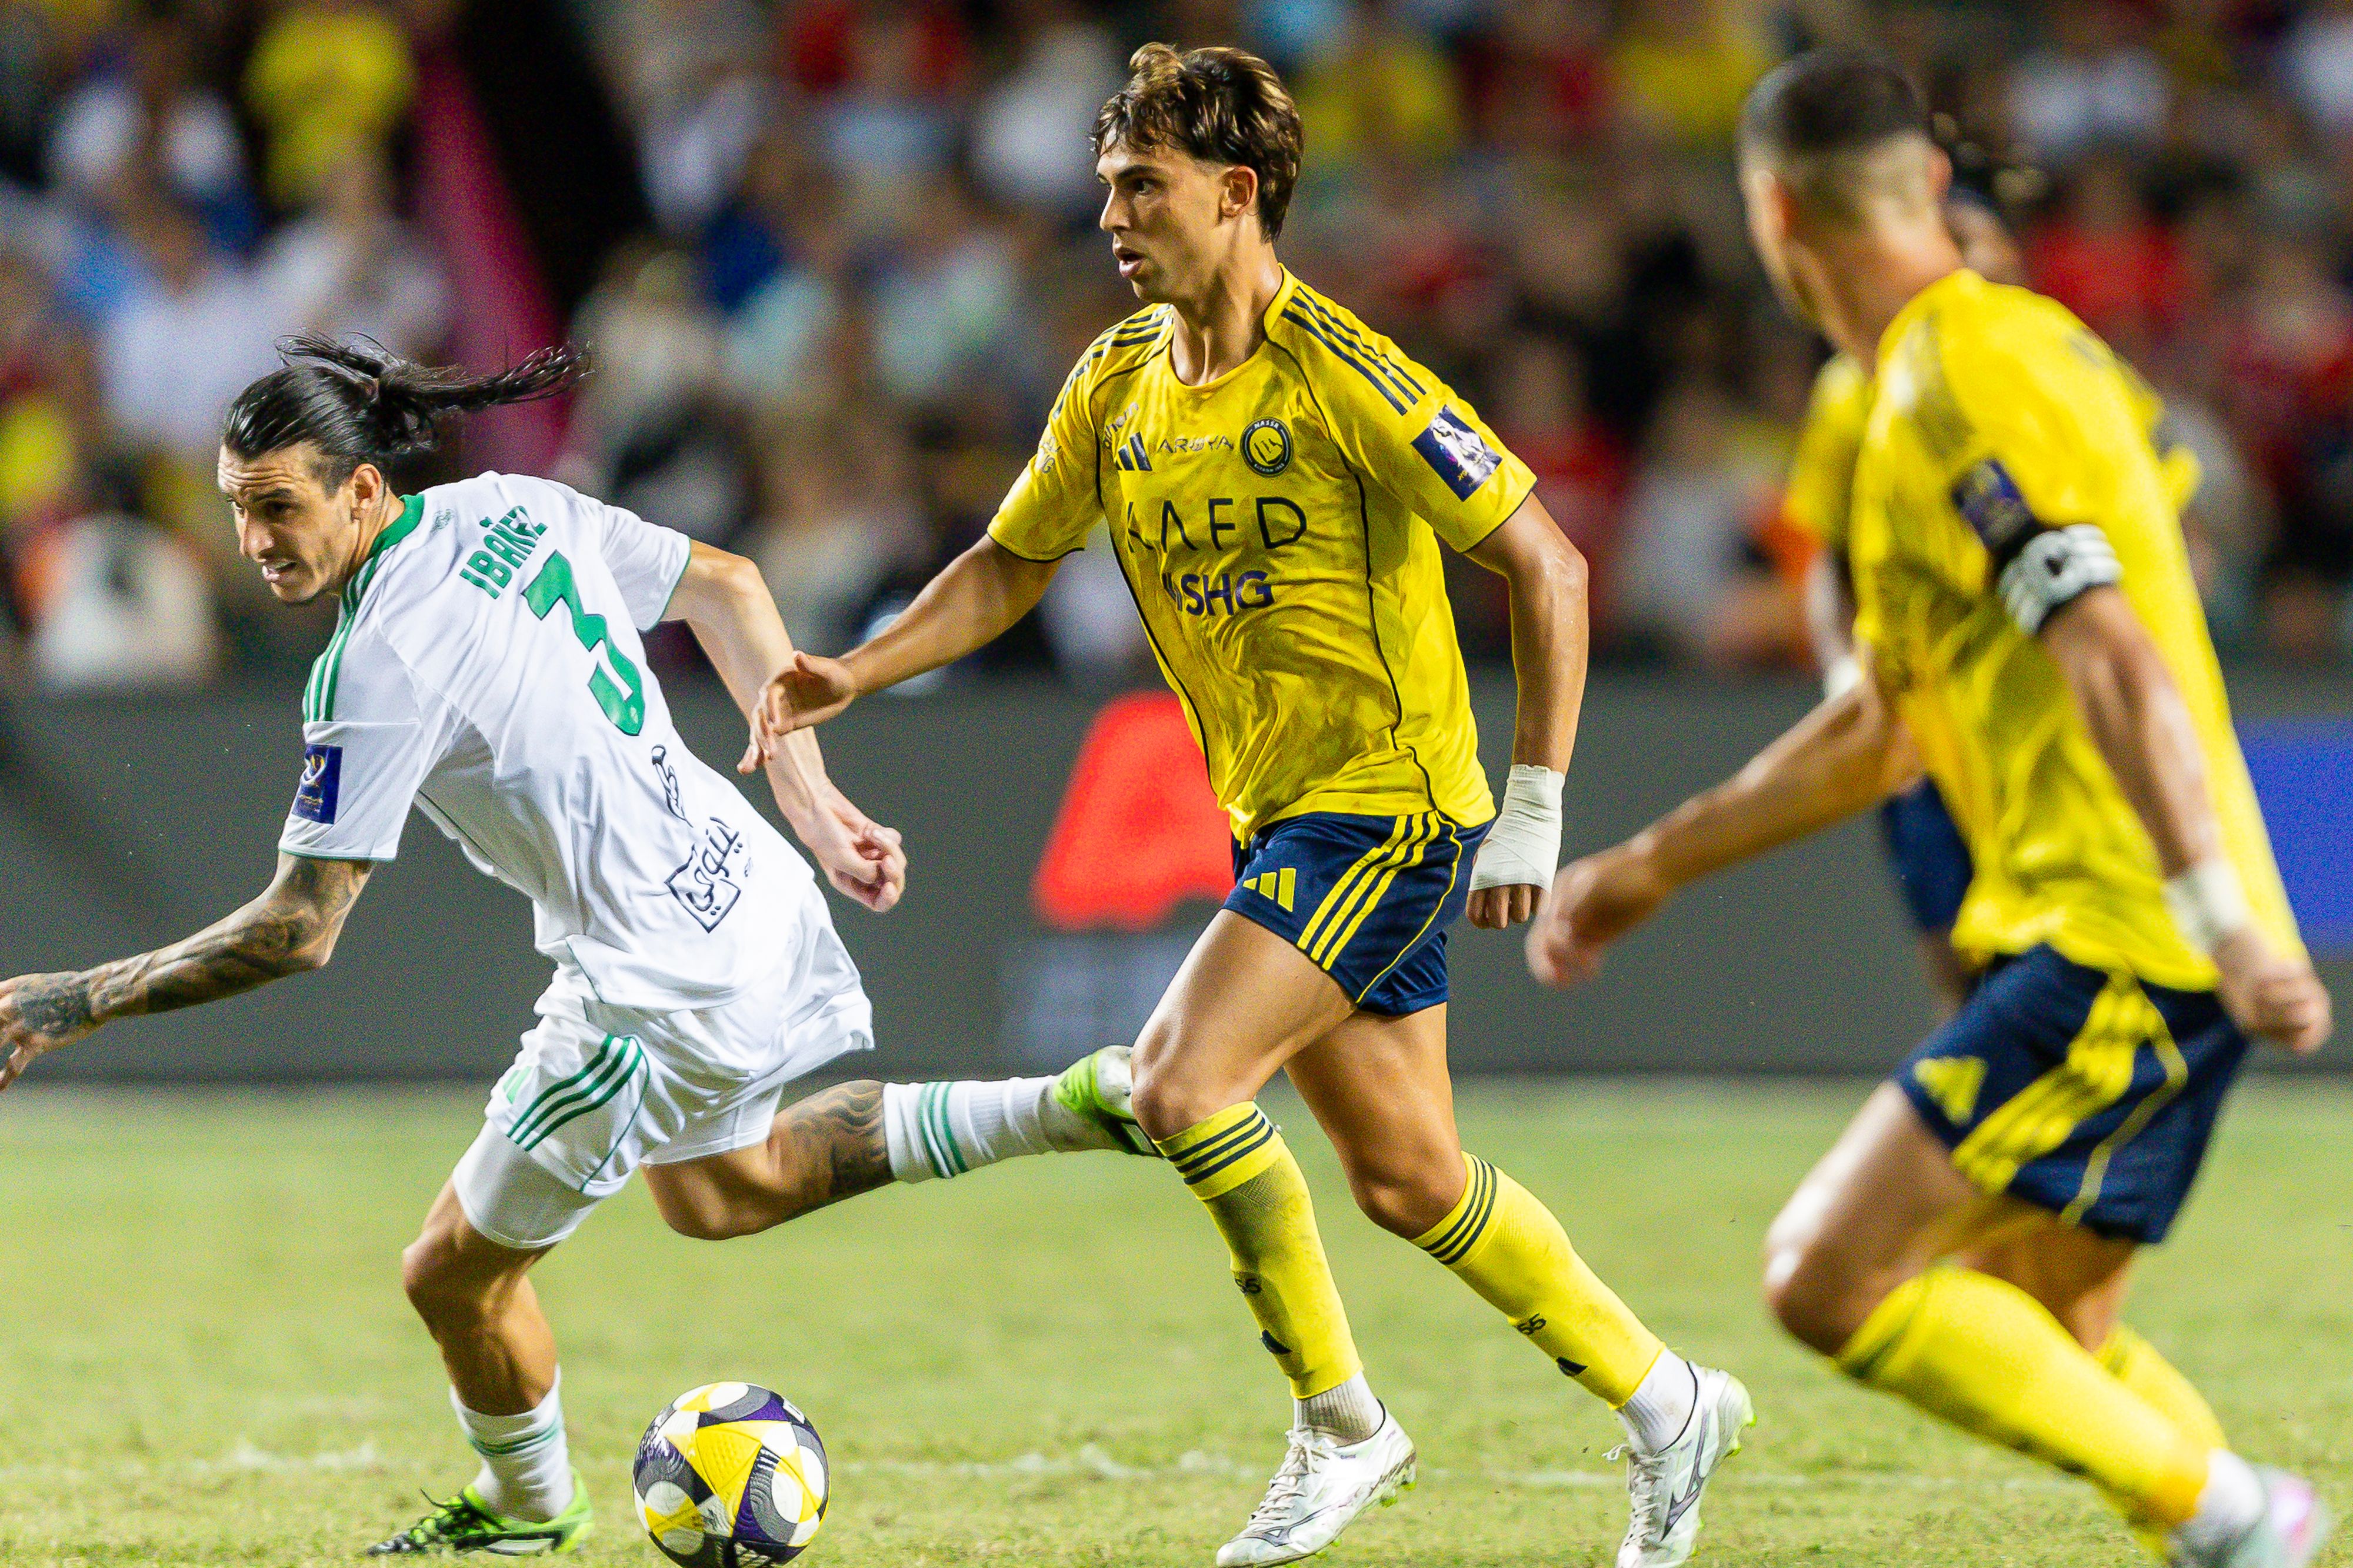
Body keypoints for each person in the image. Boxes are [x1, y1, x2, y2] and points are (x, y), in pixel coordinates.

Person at [750, 43, 1749, 1568]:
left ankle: (1342, 1427)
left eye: (1141, 186)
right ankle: (1671, 1400)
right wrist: (859, 671)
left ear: (1236, 192)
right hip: (1278, 810)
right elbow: (1015, 563)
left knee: (1179, 1084)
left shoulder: (1344, 369)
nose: (1113, 217)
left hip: (1390, 807)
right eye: (1105, 188)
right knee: (1410, 1174)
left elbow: (1547, 561)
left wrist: (1536, 808)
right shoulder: (1118, 379)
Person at [0, 336, 1156, 1557]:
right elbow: (729, 585)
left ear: (359, 489)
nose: (255, 540)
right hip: (740, 878)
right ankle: (1063, 1102)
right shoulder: (510, 506)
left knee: (449, 1272)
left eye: (278, 507)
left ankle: (527, 1511)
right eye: (238, 511)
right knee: (721, 1189)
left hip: (649, 984)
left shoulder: (376, 657)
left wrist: (73, 998)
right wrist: (808, 808)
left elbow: (299, 929)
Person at [1529, 52, 2334, 1568]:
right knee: (2045, 1322)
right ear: (1933, 194)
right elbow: (1877, 733)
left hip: (2120, 935)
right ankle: (2246, 1528)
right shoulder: (1918, 386)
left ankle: (2239, 1520)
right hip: (2095, 922)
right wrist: (1644, 869)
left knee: (1822, 1275)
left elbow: (2114, 659)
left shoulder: (1964, 375)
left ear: (1772, 214)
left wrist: (2219, 917)